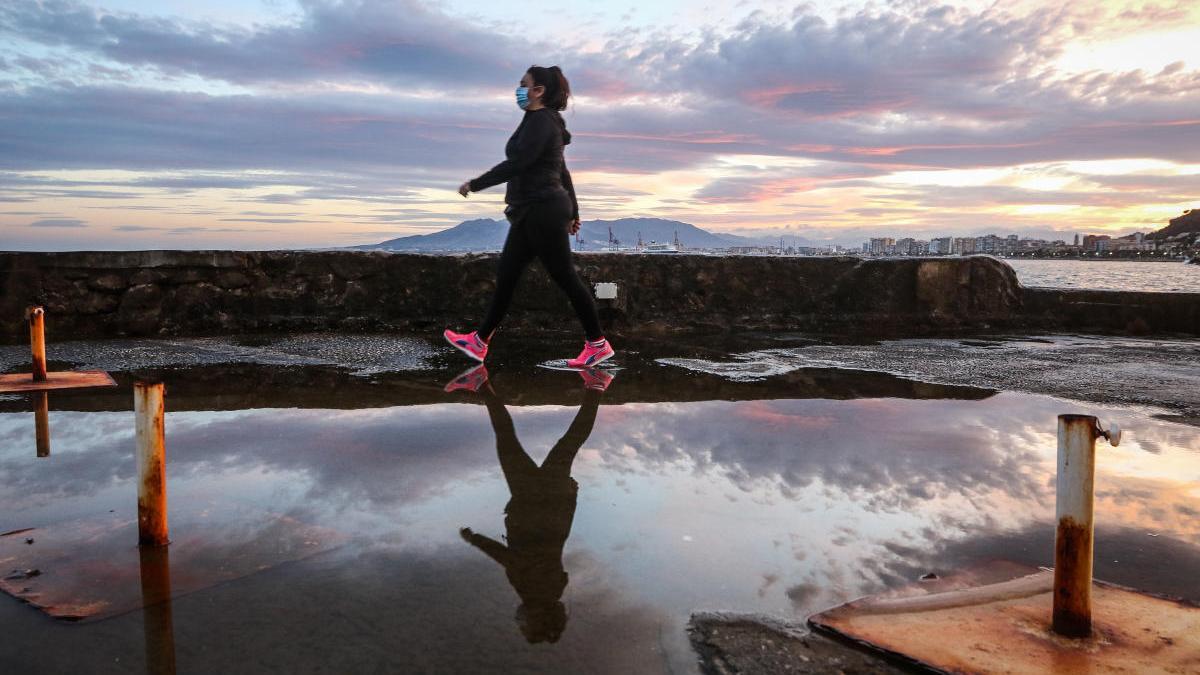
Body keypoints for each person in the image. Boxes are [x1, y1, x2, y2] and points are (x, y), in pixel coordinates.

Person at [443, 65, 614, 369]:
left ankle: (597, 344)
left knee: (566, 277)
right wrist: (574, 210)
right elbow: (562, 171)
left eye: (524, 85)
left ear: (539, 91)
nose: (519, 89)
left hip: (542, 209)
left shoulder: (541, 122)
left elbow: (520, 163)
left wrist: (476, 184)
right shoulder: (541, 121)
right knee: (507, 276)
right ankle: (479, 341)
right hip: (534, 209)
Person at [449, 365, 610, 643]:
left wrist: (570, 498)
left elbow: (556, 542)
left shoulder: (553, 590)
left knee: (568, 442)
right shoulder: (534, 589)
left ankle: (596, 389)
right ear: (536, 617)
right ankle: (481, 384)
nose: (519, 621)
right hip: (530, 499)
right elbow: (510, 558)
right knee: (509, 441)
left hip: (552, 503)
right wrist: (475, 540)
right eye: (524, 625)